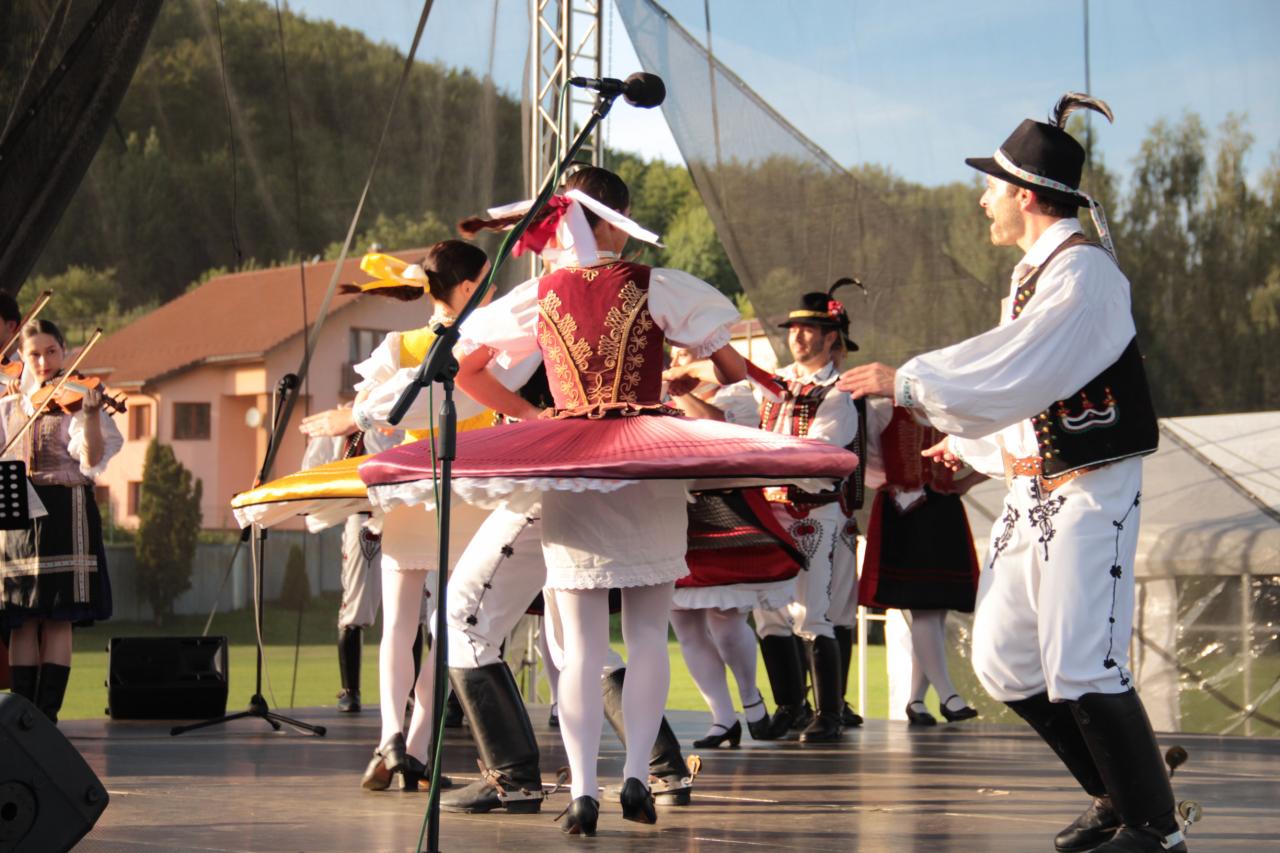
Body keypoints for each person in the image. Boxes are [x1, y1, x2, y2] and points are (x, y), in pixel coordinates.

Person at [357, 166, 858, 836]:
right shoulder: (658, 285)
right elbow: (729, 364)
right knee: (645, 635)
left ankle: (585, 790)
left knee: (579, 643)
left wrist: (532, 421)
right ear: (618, 223)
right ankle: (639, 777)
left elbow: (469, 370)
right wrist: (713, 375)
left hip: (575, 471)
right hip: (647, 465)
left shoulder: (538, 296)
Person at [839, 94, 1185, 853]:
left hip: (1086, 488)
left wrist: (910, 381)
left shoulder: (1083, 274)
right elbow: (1032, 386)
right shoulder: (1036, 275)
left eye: (991, 187)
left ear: (1025, 195)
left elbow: (1021, 366)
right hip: (1034, 489)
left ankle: (1155, 826)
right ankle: (1116, 791)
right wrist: (970, 448)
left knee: (1082, 659)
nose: (982, 199)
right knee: (1003, 656)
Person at [299, 242, 526, 793]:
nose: (494, 290)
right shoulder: (487, 347)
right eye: (487, 282)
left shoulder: (397, 345)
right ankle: (418, 748)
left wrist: (359, 419)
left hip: (409, 491)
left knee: (399, 626)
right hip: (467, 492)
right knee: (447, 629)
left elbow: (375, 415)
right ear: (467, 289)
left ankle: (392, 738)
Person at [748, 281, 866, 743]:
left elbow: (816, 453)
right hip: (770, 511)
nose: (797, 336)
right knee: (769, 613)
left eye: (809, 329)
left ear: (831, 336)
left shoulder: (839, 393)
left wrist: (756, 452)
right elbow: (729, 405)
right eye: (794, 329)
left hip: (814, 512)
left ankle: (830, 713)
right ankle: (791, 706)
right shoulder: (773, 384)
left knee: (812, 612)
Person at [1, 319, 123, 723]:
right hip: (18, 512)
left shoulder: (76, 398)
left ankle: (46, 717)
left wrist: (91, 416)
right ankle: (21, 716)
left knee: (57, 617)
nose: (43, 362)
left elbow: (91, 460)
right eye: (34, 354)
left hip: (65, 511)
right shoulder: (8, 400)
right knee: (21, 618)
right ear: (22, 358)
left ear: (64, 351)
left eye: (51, 352)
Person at [857, 397, 981, 726]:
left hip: (942, 508)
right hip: (905, 511)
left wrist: (966, 482)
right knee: (925, 608)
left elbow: (994, 443)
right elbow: (863, 456)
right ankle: (948, 695)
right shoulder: (884, 409)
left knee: (935, 611)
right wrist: (890, 483)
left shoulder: (950, 408)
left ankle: (916, 699)